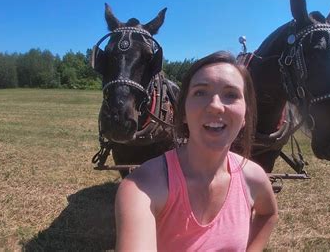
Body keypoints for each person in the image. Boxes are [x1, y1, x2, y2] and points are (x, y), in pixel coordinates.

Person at [115, 51, 278, 251]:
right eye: (200, 92)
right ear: (182, 112)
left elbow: (268, 214)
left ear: (245, 115)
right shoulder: (143, 187)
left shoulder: (252, 177)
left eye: (231, 95)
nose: (215, 106)